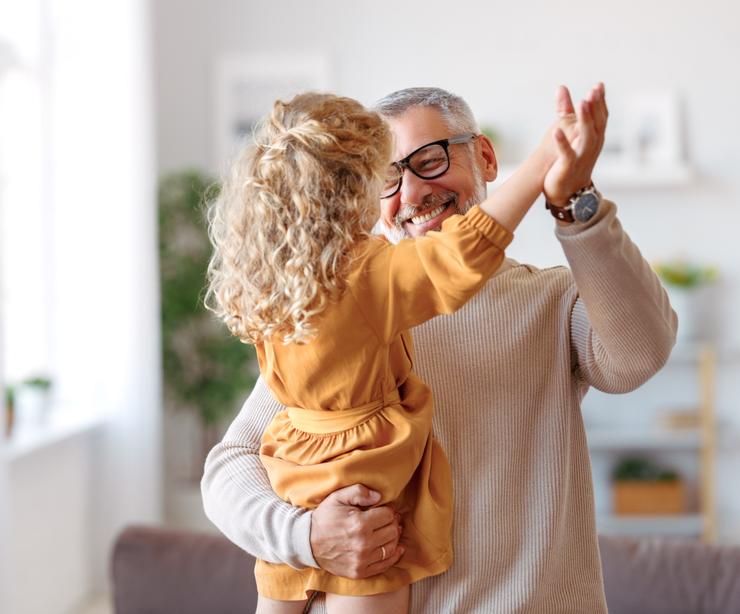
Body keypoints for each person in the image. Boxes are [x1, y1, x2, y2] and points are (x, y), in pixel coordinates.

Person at [201, 84, 677, 613]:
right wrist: (305, 536)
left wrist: (573, 201)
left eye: (429, 160)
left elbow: (640, 355)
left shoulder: (552, 298)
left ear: (486, 157)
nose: (410, 194)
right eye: (387, 176)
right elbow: (229, 467)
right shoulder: (338, 315)